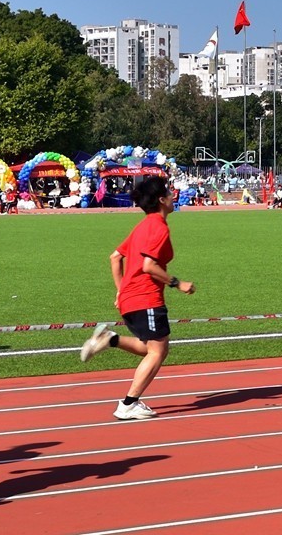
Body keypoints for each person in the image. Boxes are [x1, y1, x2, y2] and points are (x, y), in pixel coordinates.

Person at [79, 175, 196, 420]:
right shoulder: (159, 227)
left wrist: (121, 290)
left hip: (129, 299)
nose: (173, 196)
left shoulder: (142, 226)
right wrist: (178, 283)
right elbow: (149, 266)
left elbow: (114, 257)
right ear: (162, 200)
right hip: (146, 298)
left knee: (149, 347)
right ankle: (129, 403)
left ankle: (109, 339)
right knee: (158, 351)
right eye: (169, 193)